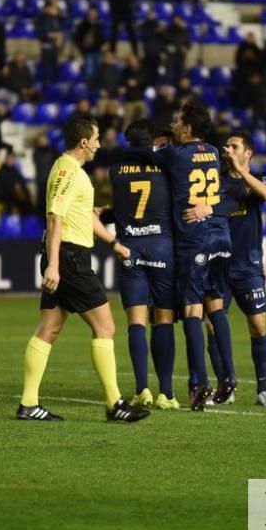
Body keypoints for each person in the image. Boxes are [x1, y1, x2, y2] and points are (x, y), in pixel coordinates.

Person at [17, 115, 150, 423]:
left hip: (67, 256)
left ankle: (28, 404)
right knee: (105, 326)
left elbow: (86, 217)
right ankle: (115, 403)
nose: (100, 144)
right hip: (69, 259)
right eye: (97, 138)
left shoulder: (73, 171)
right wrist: (54, 265)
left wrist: (113, 243)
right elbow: (55, 218)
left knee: (48, 329)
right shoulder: (67, 171)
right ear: (84, 142)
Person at [122, 101, 234, 410]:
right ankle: (229, 375)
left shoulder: (175, 154)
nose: (172, 125)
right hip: (220, 236)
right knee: (217, 308)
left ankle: (198, 384)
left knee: (192, 314)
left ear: (187, 128)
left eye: (176, 121)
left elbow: (141, 153)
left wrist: (122, 149)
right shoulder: (213, 151)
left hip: (192, 241)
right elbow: (229, 192)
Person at [185, 132, 266, 407]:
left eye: (233, 146)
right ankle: (226, 387)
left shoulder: (260, 178)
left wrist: (241, 172)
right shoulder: (216, 182)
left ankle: (263, 389)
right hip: (219, 264)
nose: (227, 149)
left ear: (247, 153)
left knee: (258, 325)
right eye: (225, 145)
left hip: (248, 266)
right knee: (213, 326)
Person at [110, 121, 178, 410]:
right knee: (163, 320)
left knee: (136, 323)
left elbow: (121, 209)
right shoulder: (166, 170)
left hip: (130, 249)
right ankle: (167, 392)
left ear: (127, 141)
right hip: (163, 247)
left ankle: (142, 390)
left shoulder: (115, 172)